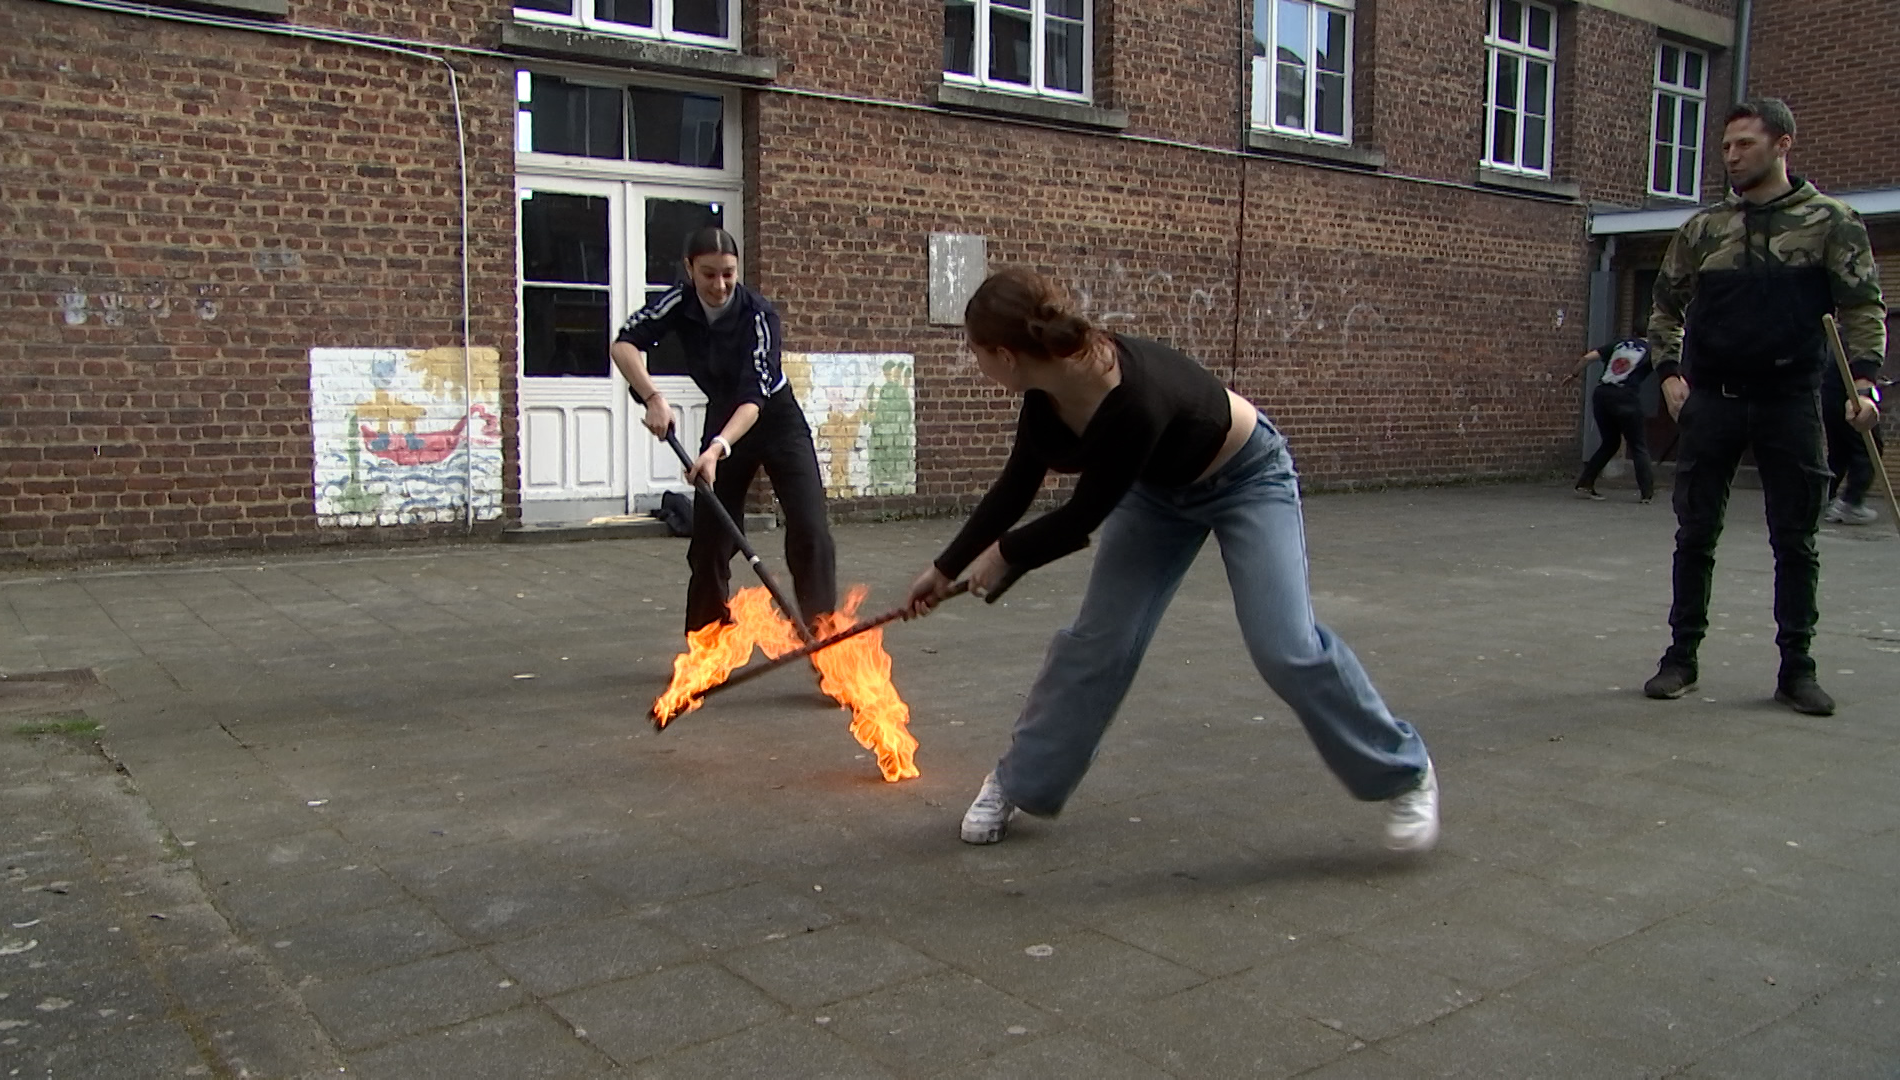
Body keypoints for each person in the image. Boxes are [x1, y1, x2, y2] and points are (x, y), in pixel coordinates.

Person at [904, 268, 1438, 851]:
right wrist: (947, 566)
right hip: (1155, 494)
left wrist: (1005, 556)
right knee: (1098, 643)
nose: (977, 365)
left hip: (1246, 479)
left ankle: (1404, 771)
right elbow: (1015, 487)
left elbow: (1083, 516)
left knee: (1285, 647)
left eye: (976, 353)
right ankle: (1016, 781)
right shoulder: (1042, 399)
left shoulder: (1134, 398)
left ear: (1005, 355)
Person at [1642, 99, 1885, 717]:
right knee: (1694, 533)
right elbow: (1665, 305)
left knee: (1795, 541)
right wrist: (1669, 373)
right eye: (1725, 146)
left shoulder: (1831, 222)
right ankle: (1680, 658)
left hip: (1790, 403)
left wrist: (1865, 383)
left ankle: (1796, 668)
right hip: (1713, 402)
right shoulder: (1704, 229)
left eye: (1744, 144)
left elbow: (1861, 306)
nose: (1731, 156)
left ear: (1783, 145)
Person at [610, 227, 837, 635]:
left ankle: (824, 641)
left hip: (775, 420)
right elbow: (625, 344)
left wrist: (716, 449)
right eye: (709, 274)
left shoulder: (758, 315)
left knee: (810, 531)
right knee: (710, 539)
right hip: (723, 417)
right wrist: (652, 398)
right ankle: (707, 642)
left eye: (728, 274)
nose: (719, 285)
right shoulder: (678, 302)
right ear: (690, 269)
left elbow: (754, 397)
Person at [1564, 336, 1656, 502]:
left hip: (1602, 394)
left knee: (1610, 442)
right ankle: (1646, 493)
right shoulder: (1652, 350)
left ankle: (1585, 483)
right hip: (1626, 396)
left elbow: (1587, 358)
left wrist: (1574, 374)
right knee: (1638, 445)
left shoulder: (1619, 344)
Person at [1821, 362, 1884, 525]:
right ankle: (1851, 502)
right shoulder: (1863, 340)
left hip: (1830, 393)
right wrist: (1864, 394)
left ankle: (1823, 498)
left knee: (1839, 452)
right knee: (1869, 449)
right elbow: (1866, 356)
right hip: (1848, 394)